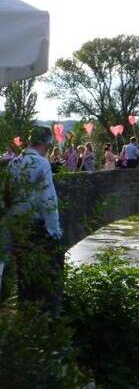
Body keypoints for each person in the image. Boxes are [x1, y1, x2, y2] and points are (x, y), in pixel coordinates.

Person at [6, 126, 64, 314]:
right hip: (36, 229)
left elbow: (6, 198)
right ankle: (43, 327)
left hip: (17, 228)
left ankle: (25, 321)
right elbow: (48, 200)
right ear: (46, 144)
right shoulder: (41, 163)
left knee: (24, 280)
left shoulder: (14, 163)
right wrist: (54, 231)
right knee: (44, 284)